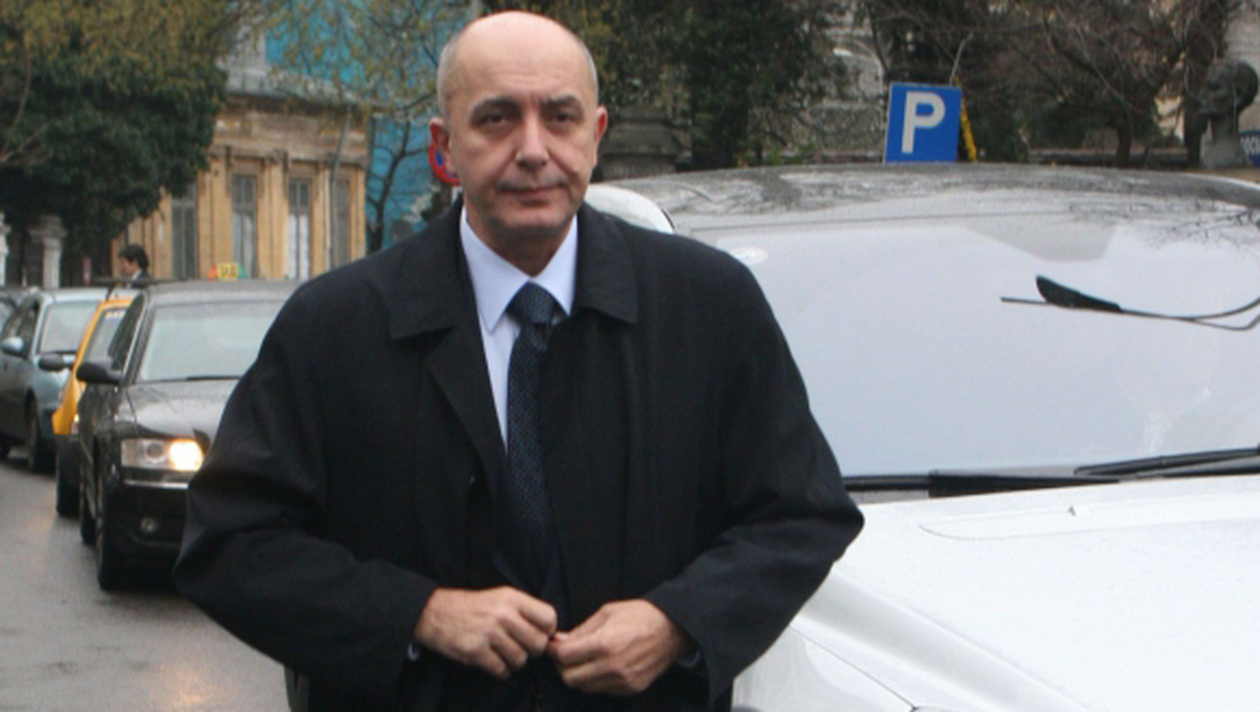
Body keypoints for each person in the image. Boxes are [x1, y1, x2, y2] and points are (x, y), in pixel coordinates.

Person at [173, 11, 863, 712]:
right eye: (497, 119)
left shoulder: (707, 308)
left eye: (560, 118)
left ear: (595, 135)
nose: (533, 150)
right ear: (445, 147)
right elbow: (228, 543)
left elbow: (801, 515)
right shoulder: (335, 328)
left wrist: (677, 622)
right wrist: (417, 614)